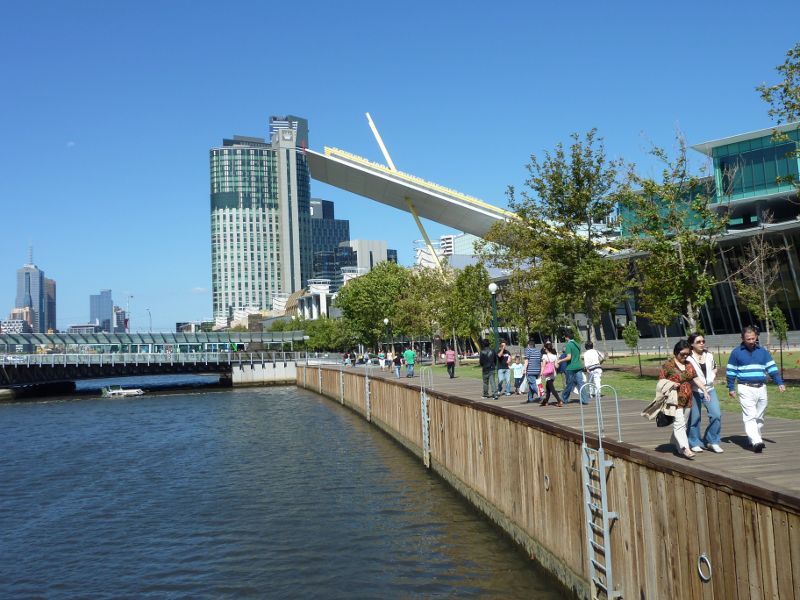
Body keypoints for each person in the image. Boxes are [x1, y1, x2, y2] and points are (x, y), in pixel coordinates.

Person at [726, 325, 785, 453]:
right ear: (742, 338)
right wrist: (731, 387)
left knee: (759, 416)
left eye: (753, 338)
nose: (751, 341)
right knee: (750, 416)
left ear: (756, 337)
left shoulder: (763, 351)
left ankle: (753, 438)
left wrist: (779, 382)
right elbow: (731, 371)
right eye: (748, 339)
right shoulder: (736, 352)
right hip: (745, 387)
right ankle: (757, 441)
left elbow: (772, 368)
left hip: (761, 388)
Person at [659, 340, 707, 460]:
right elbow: (660, 382)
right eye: (682, 354)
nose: (685, 356)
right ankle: (686, 448)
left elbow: (695, 378)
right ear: (676, 352)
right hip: (674, 400)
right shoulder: (668, 365)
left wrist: (704, 390)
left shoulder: (689, 364)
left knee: (683, 424)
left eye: (687, 354)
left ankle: (677, 444)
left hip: (688, 399)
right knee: (679, 423)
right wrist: (671, 384)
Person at [686, 333, 723, 453]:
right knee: (694, 418)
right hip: (694, 390)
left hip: (710, 389)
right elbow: (690, 376)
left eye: (703, 341)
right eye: (698, 342)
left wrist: (712, 375)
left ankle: (712, 440)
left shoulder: (709, 355)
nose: (702, 343)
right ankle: (694, 441)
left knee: (716, 414)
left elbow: (715, 367)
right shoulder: (688, 358)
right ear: (692, 344)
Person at [559, 330, 586, 404]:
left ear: (566, 337)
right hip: (579, 366)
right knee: (580, 383)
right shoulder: (577, 344)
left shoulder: (568, 345)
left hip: (571, 367)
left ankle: (564, 398)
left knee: (569, 384)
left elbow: (568, 357)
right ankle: (585, 399)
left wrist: (560, 361)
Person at [540, 341, 563, 407]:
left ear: (546, 349)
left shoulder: (545, 356)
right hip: (553, 373)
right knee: (548, 388)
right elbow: (556, 366)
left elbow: (543, 365)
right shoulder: (555, 356)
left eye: (544, 348)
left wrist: (541, 373)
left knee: (552, 389)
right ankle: (546, 401)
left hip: (548, 374)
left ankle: (559, 401)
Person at [523, 335, 542, 404]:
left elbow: (526, 361)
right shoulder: (538, 351)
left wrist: (524, 369)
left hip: (530, 371)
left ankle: (541, 396)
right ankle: (530, 398)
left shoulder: (527, 350)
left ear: (529, 344)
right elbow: (540, 361)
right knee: (532, 384)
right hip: (537, 370)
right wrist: (540, 371)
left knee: (533, 384)